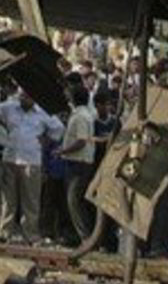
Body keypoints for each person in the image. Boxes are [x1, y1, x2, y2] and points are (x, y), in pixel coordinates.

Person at [0, 89, 63, 244]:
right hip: (11, 157)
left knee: (31, 200)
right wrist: (4, 130)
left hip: (31, 160)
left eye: (27, 96)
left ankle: (31, 234)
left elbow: (58, 129)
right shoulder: (9, 107)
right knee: (7, 199)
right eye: (22, 95)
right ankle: (4, 233)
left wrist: (45, 139)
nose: (24, 98)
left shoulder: (43, 112)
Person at [60, 85, 98, 242]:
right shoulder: (81, 114)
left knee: (73, 200)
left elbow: (81, 141)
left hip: (79, 163)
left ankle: (86, 237)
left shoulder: (81, 116)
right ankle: (82, 236)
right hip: (76, 162)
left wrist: (62, 151)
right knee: (74, 200)